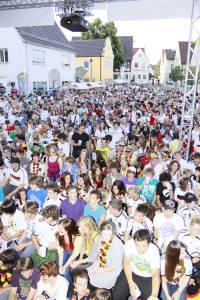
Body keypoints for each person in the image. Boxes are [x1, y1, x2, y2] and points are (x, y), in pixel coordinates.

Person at [112, 229, 160, 300]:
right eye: (137, 245)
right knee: (116, 296)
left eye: (143, 246)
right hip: (131, 272)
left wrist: (154, 295)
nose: (140, 249)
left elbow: (155, 274)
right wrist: (130, 283)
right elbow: (126, 263)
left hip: (147, 278)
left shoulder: (154, 251)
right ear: (134, 241)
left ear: (149, 243)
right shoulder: (129, 244)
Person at [87, 221, 124, 289]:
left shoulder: (117, 245)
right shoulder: (100, 238)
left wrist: (102, 271)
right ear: (101, 233)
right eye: (104, 234)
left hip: (113, 269)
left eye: (109, 234)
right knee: (88, 275)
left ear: (113, 233)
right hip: (102, 263)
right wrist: (96, 267)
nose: (106, 237)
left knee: (93, 283)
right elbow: (99, 256)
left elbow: (116, 265)